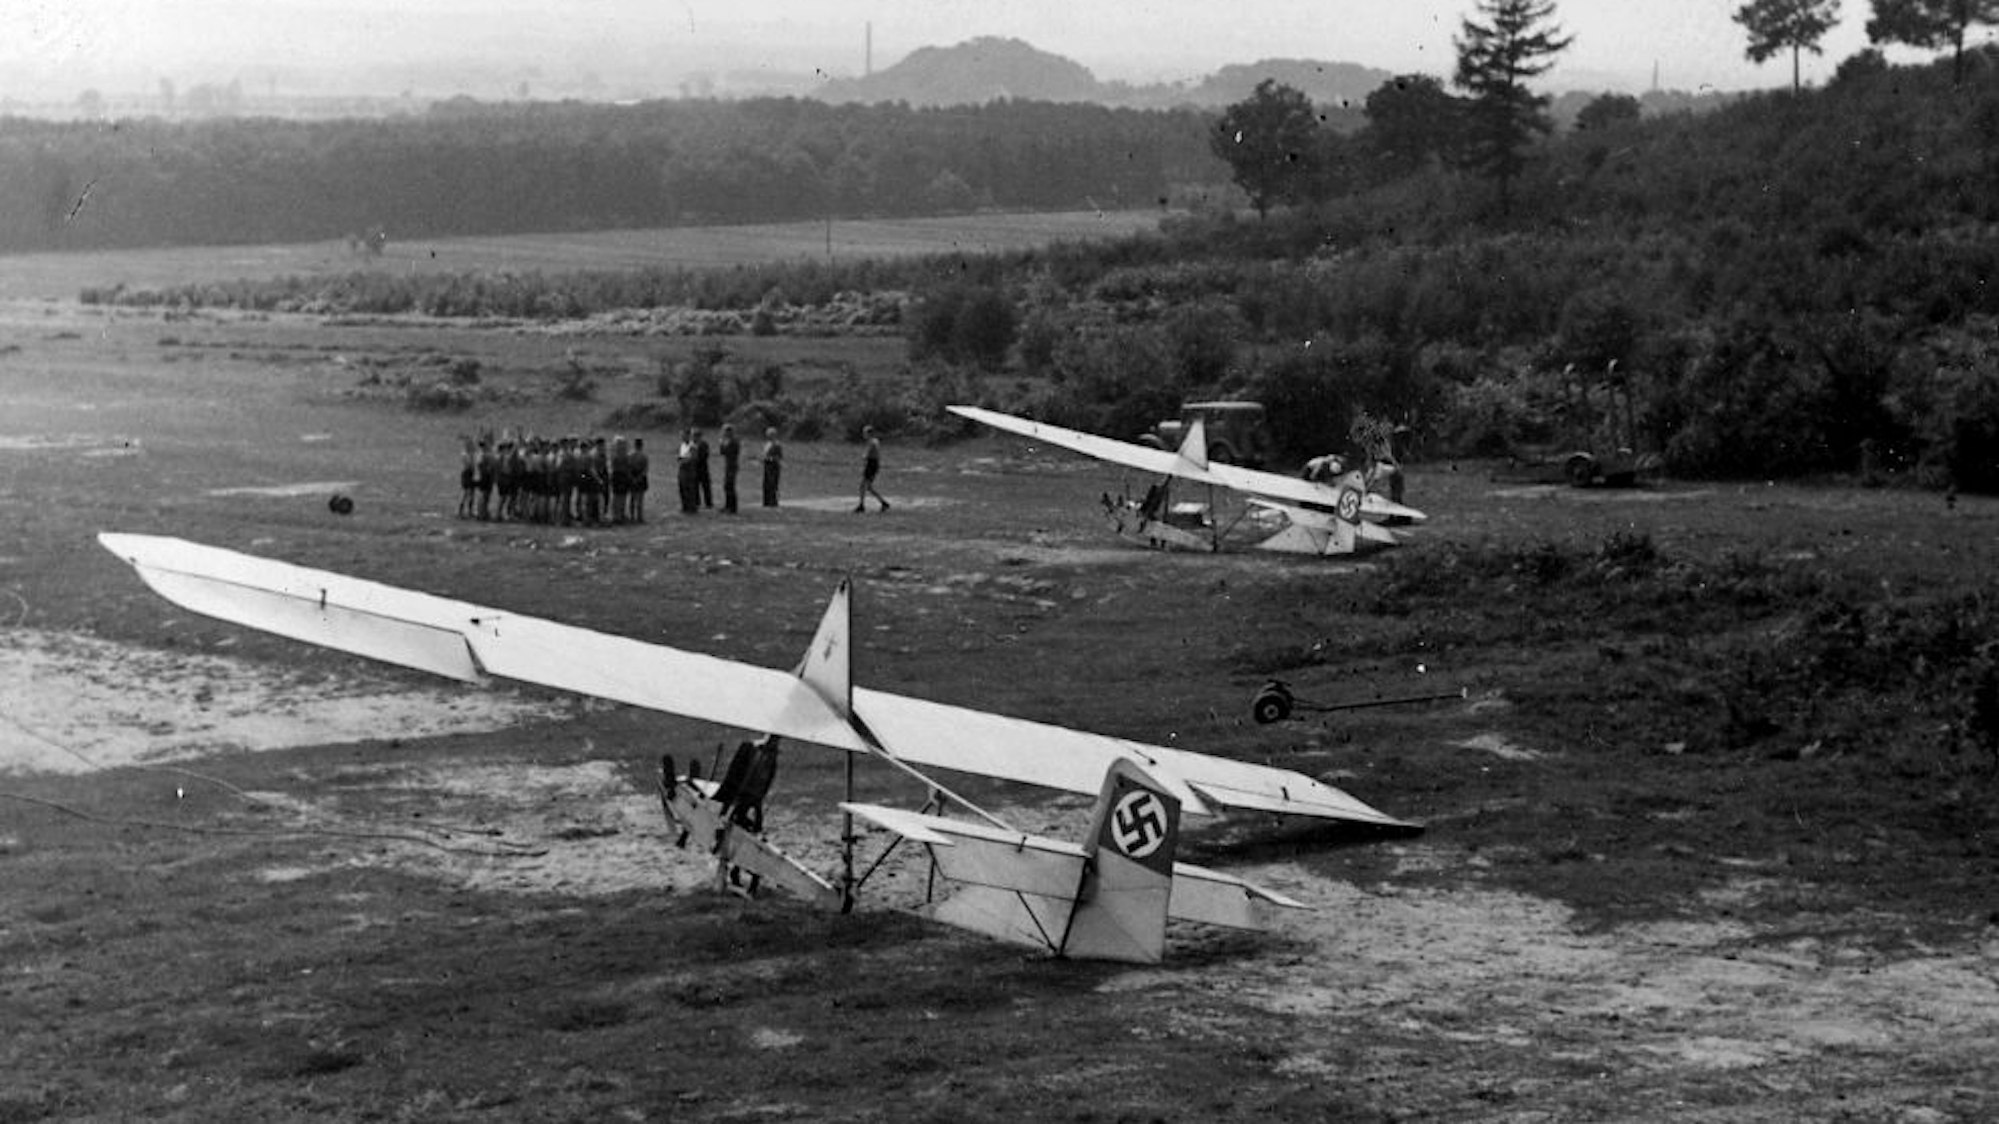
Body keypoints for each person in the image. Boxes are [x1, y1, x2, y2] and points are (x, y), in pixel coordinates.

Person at [855, 425, 889, 513]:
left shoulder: (871, 442)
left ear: (869, 434)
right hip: (874, 465)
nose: (863, 435)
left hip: (871, 465)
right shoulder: (875, 441)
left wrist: (864, 456)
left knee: (863, 486)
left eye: (864, 433)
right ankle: (883, 503)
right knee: (868, 487)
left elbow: (868, 452)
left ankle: (861, 506)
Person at [718, 423, 741, 514]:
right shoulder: (728, 441)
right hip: (728, 465)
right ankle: (727, 505)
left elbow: (728, 452)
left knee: (730, 486)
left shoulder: (734, 441)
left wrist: (722, 444)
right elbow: (722, 452)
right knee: (727, 486)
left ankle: (732, 508)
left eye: (725, 431)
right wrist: (722, 444)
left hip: (732, 465)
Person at [676, 428, 700, 514]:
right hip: (682, 470)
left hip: (689, 471)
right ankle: (685, 506)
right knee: (682, 488)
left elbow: (693, 458)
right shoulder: (682, 445)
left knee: (690, 489)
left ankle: (692, 507)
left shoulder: (692, 446)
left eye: (683, 435)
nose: (682, 437)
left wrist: (683, 460)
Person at [759, 427, 783, 508]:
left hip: (774, 466)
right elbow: (765, 454)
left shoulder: (777, 445)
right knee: (766, 484)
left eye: (770, 434)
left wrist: (770, 458)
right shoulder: (767, 444)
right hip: (767, 466)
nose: (768, 436)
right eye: (768, 434)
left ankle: (773, 502)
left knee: (773, 484)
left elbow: (779, 456)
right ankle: (766, 501)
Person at [693, 428, 714, 509]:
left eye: (695, 436)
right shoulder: (693, 444)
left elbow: (704, 456)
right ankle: (696, 501)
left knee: (706, 486)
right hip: (695, 468)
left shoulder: (704, 444)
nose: (694, 438)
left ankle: (708, 503)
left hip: (703, 468)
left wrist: (696, 458)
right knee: (695, 486)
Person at [630, 437, 649, 523]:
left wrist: (632, 478)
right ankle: (639, 517)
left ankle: (632, 516)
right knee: (640, 499)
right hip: (641, 477)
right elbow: (645, 469)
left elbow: (628, 468)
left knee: (633, 498)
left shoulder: (630, 455)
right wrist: (640, 477)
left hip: (633, 476)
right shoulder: (644, 456)